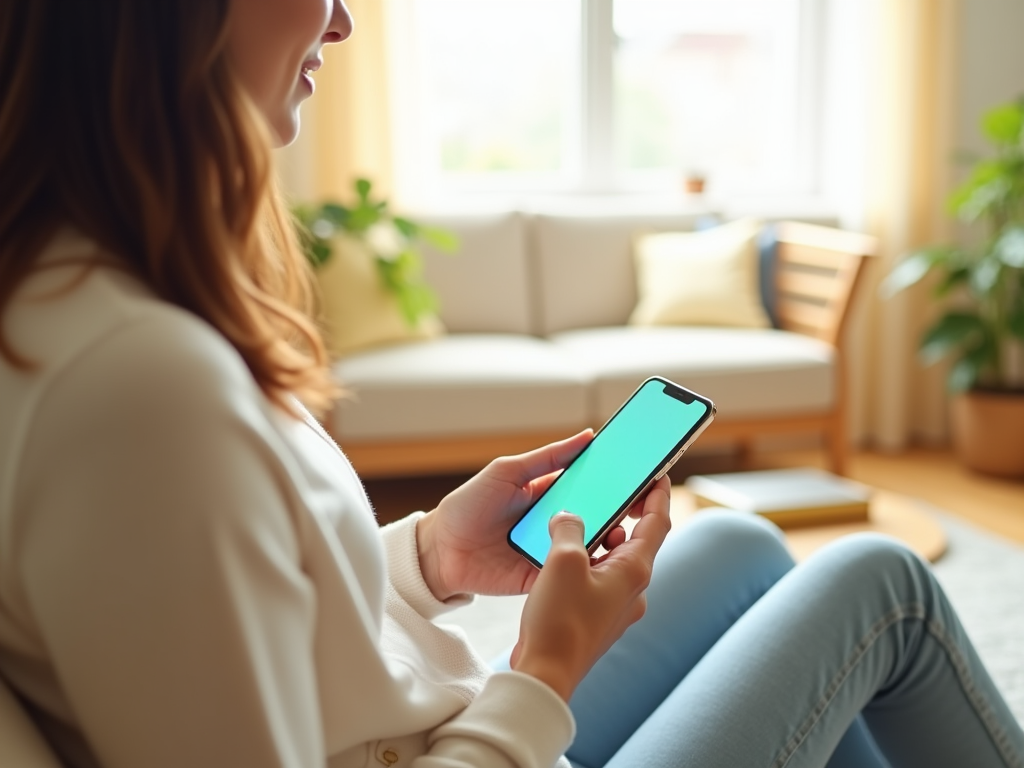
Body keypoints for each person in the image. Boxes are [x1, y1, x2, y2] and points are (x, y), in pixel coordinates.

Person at [0, 1, 1021, 767]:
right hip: (482, 745)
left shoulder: (82, 316)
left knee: (742, 542)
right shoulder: (137, 393)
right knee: (878, 588)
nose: (345, 19)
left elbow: (251, 619)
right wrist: (542, 673)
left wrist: (431, 558)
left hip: (447, 734)